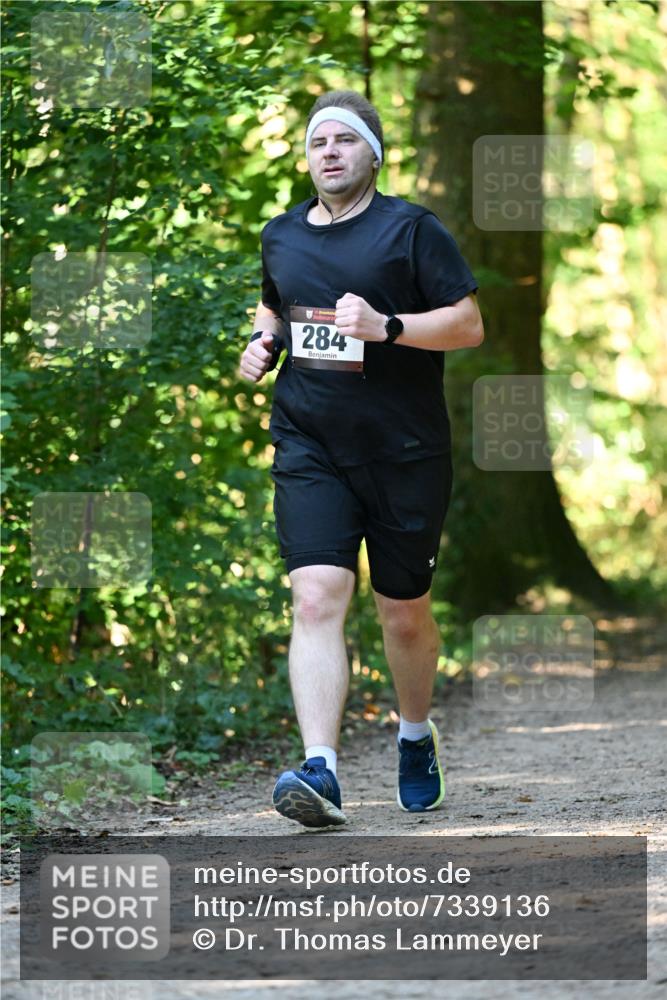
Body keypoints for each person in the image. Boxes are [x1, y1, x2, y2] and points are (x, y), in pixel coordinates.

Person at [239, 90, 483, 828]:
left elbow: (468, 324)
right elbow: (276, 304)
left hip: (404, 448)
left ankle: (414, 737)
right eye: (319, 143)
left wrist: (389, 326)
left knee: (401, 613)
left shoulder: (410, 230)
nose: (330, 153)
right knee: (315, 596)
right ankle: (320, 770)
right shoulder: (281, 234)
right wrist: (263, 342)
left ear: (372, 154)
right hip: (310, 440)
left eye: (345, 140)